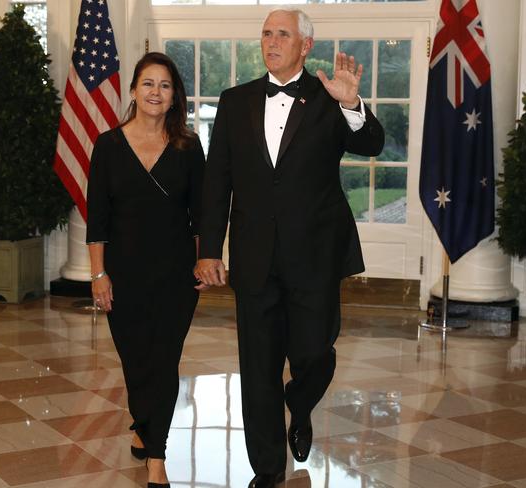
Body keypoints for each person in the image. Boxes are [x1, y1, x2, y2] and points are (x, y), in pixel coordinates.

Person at [194, 8, 384, 488]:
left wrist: (352, 103)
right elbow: (217, 182)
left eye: (283, 34)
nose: (271, 41)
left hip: (315, 256)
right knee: (257, 368)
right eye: (266, 33)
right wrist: (210, 249)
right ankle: (267, 467)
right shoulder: (234, 101)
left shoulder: (329, 97)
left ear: (306, 46)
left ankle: (300, 407)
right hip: (255, 258)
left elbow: (374, 143)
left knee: (315, 352)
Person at [86, 52, 206, 488]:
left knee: (164, 361)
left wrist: (204, 258)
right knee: (136, 362)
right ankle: (142, 422)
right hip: (124, 275)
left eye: (165, 85)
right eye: (148, 84)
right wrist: (99, 275)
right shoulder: (107, 145)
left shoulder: (189, 147)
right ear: (134, 91)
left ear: (176, 97)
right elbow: (96, 218)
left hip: (176, 275)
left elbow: (202, 213)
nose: (156, 92)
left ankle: (157, 454)